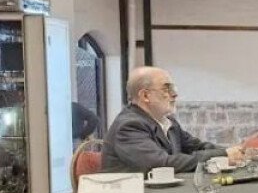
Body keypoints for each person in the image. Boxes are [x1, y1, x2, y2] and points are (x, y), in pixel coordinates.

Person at [102, 67, 243, 174]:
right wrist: (223, 155)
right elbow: (160, 164)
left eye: (173, 88)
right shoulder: (129, 126)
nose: (174, 94)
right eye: (166, 89)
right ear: (145, 96)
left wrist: (234, 152)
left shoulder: (168, 122)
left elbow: (197, 146)